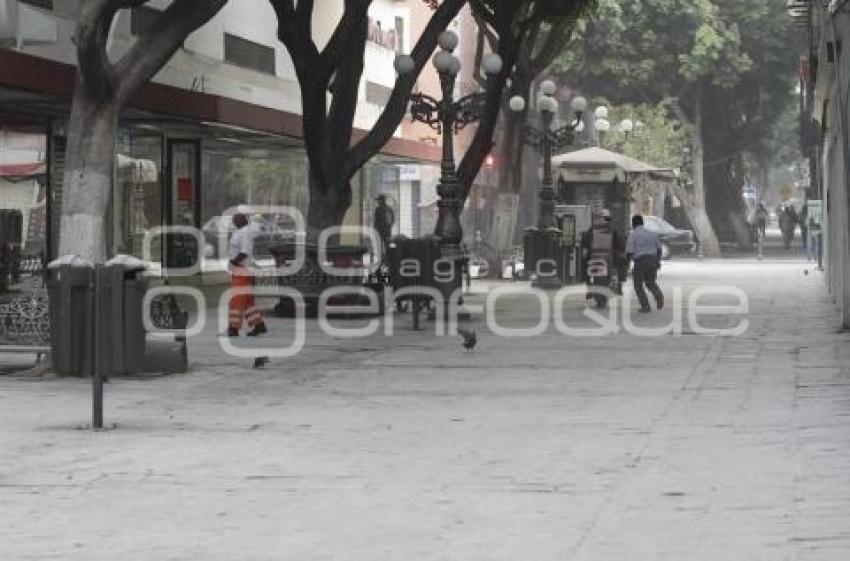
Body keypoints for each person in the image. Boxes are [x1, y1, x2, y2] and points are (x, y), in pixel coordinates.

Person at [227, 213, 267, 337]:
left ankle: (233, 328)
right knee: (248, 301)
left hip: (243, 270)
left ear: (243, 220)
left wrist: (233, 262)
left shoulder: (245, 232)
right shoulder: (238, 231)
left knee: (236, 300)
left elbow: (245, 252)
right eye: (234, 219)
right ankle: (259, 325)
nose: (234, 221)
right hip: (239, 270)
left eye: (237, 219)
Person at [581, 208, 626, 291]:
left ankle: (591, 287)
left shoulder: (593, 228)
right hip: (607, 257)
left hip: (596, 257)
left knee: (590, 272)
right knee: (613, 271)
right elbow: (620, 243)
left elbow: (585, 242)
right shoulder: (613, 228)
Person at [626, 214, 664, 313]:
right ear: (642, 222)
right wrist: (657, 261)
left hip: (640, 261)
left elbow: (629, 251)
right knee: (650, 282)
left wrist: (627, 264)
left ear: (633, 224)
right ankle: (659, 297)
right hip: (652, 260)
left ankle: (645, 306)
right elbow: (659, 249)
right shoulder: (653, 233)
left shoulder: (633, 234)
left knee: (638, 285)